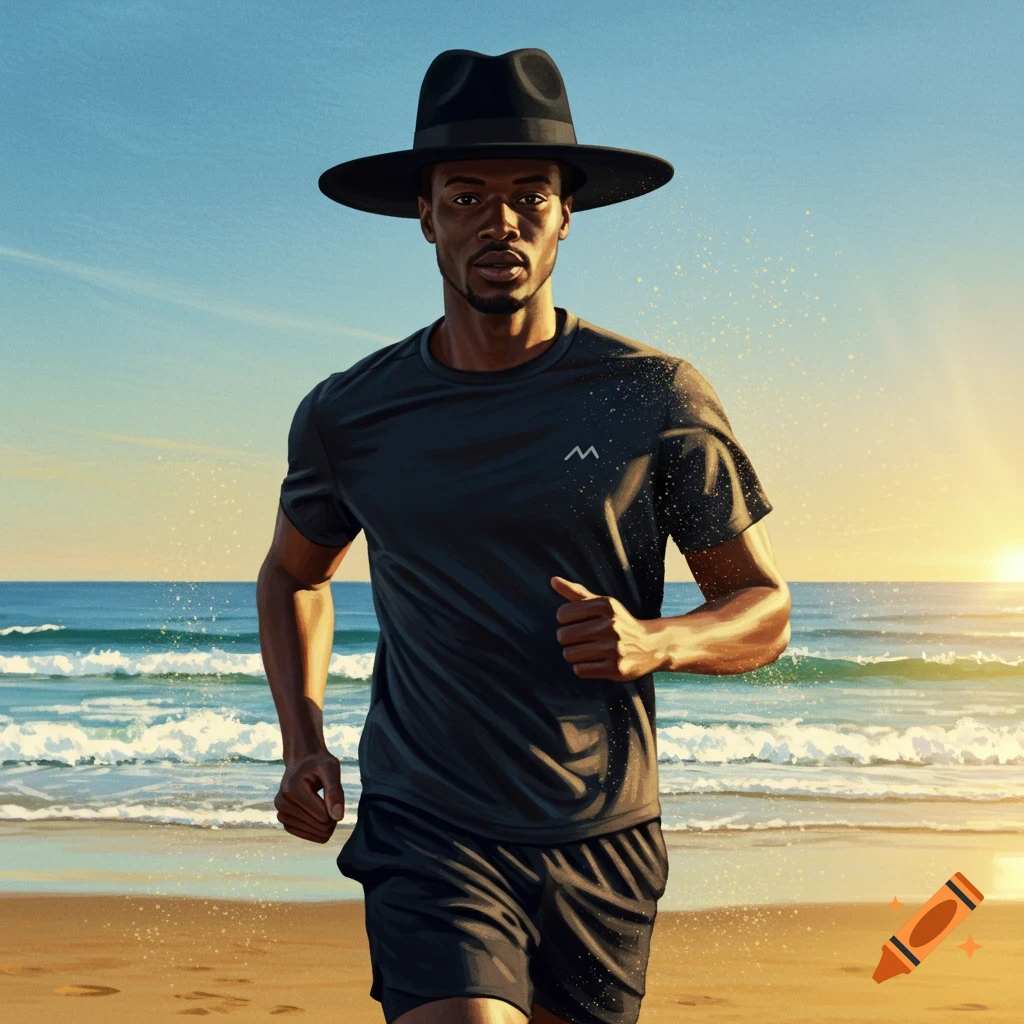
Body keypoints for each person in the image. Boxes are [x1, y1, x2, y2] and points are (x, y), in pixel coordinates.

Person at [256, 48, 791, 1024]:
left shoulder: (654, 396)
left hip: (604, 834)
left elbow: (763, 609)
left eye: (527, 196)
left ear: (564, 214)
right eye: (465, 196)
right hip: (427, 825)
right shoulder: (349, 414)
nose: (497, 219)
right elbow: (294, 574)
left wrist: (658, 639)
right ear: (425, 215)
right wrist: (304, 742)